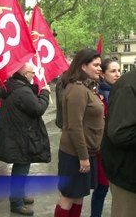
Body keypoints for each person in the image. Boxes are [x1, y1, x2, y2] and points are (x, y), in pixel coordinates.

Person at [0, 62, 51, 216]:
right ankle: (16, 203)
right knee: (21, 169)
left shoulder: (13, 86)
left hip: (17, 134)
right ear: (25, 74)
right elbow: (38, 109)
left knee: (21, 168)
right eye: (32, 73)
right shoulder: (22, 90)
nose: (34, 76)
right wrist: (45, 94)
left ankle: (18, 196)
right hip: (20, 136)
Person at [54, 48, 103, 217]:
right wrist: (83, 157)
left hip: (86, 152)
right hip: (75, 155)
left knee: (78, 196)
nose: (99, 68)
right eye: (96, 65)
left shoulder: (85, 88)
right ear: (83, 66)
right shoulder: (77, 89)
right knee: (68, 197)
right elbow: (74, 126)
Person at [101, 62, 136, 216]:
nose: (116, 74)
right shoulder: (128, 85)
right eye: (112, 71)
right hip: (128, 177)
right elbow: (120, 133)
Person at [90, 58, 121, 217]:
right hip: (103, 148)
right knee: (102, 188)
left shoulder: (122, 91)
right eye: (113, 71)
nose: (117, 74)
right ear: (103, 74)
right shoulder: (98, 95)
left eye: (119, 71)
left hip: (120, 149)